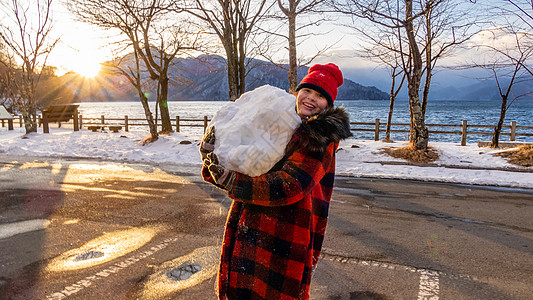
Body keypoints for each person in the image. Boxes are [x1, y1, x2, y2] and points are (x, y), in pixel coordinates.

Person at [200, 63, 352, 300]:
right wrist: (215, 158)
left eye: (320, 96)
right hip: (248, 224)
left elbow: (290, 186)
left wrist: (234, 182)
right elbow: (245, 162)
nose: (311, 99)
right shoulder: (282, 122)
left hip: (285, 236)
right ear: (298, 91)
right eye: (308, 91)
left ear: (328, 104)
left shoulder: (321, 137)